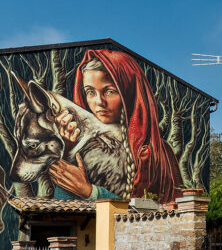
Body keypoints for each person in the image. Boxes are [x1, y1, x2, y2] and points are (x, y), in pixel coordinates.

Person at [48, 49, 182, 202]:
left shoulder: (159, 153)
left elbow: (159, 213)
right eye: (90, 92)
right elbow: (63, 209)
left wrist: (91, 193)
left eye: (110, 91)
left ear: (129, 93)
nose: (99, 102)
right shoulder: (81, 145)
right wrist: (70, 151)